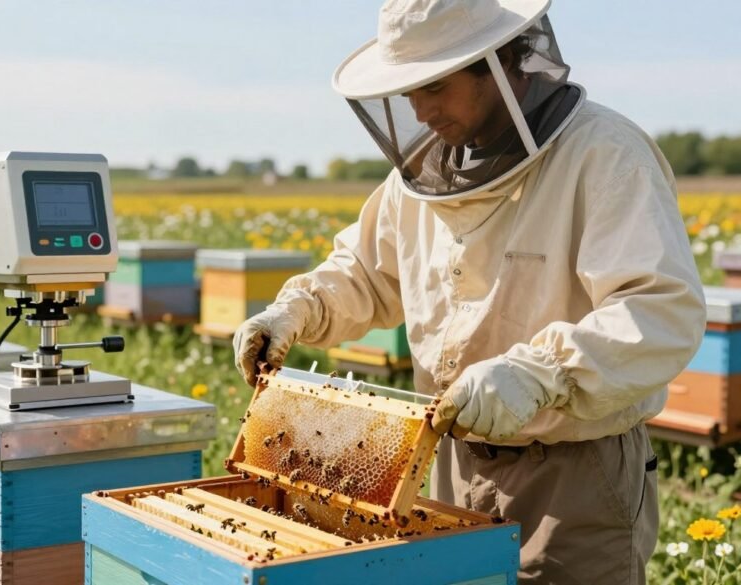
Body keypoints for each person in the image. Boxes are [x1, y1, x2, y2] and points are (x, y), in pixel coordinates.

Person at [232, 0, 706, 582]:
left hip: (573, 474)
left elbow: (659, 310)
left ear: (500, 63)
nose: (420, 109)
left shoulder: (605, 155)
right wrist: (295, 310)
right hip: (449, 461)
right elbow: (365, 272)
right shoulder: (422, 177)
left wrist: (539, 374)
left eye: (434, 85)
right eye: (406, 90)